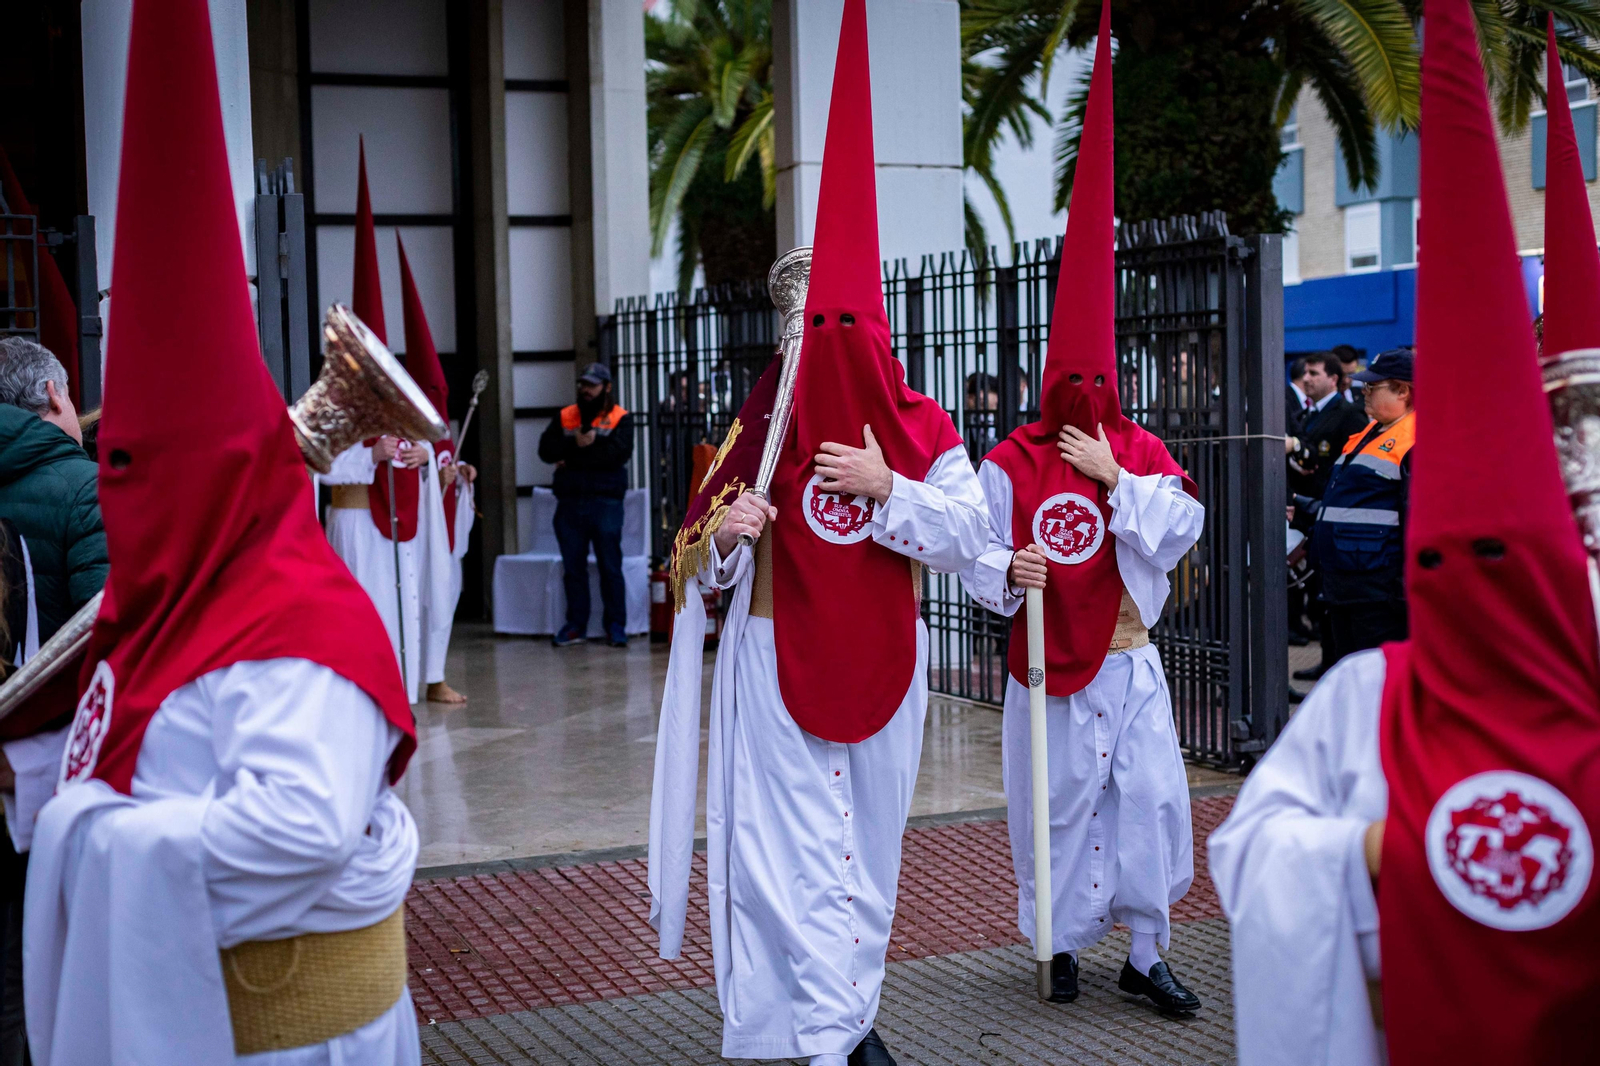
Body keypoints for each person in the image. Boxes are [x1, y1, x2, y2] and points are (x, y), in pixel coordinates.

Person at [22, 4, 421, 1062]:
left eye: (139, 470)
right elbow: (110, 739)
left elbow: (302, 829)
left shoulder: (301, 628)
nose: (118, 494)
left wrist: (86, 834)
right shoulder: (159, 610)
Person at [1211, 9, 1600, 1064]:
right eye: (1453, 555)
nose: (1475, 581)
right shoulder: (1362, 698)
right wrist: (1376, 852)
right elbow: (1251, 845)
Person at [647, 6, 986, 1063]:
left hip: (884, 656)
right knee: (779, 851)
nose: (822, 349)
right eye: (806, 330)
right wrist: (736, 529)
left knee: (866, 847)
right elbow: (691, 570)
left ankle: (849, 1011)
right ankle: (813, 1030)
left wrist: (891, 486)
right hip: (768, 654)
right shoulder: (757, 423)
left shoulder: (922, 426)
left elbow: (971, 537)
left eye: (840, 327)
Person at [960, 7, 1206, 1013]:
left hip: (1128, 659)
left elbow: (1180, 529)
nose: (1084, 401)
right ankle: (1059, 944)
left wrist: (1112, 472)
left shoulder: (1136, 449)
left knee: (1146, 804)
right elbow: (971, 548)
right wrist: (999, 571)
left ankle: (1147, 954)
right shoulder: (1009, 458)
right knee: (1054, 811)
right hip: (1046, 669)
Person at [321, 144, 452, 703]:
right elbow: (315, 465)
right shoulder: (334, 397)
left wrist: (423, 463)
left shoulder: (396, 399)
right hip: (352, 523)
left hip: (392, 523)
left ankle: (402, 684)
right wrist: (366, 456)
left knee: (399, 603)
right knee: (359, 608)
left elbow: (421, 449)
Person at [1294, 348, 1415, 667]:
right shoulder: (1370, 432)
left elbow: (1417, 522)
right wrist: (1307, 510)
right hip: (1346, 584)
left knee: (1374, 682)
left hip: (1378, 592)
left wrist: (1402, 592)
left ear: (1403, 391)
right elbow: (1352, 505)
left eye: (1373, 387)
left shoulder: (1415, 440)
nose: (1364, 391)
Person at [397, 236, 476, 706]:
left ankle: (433, 676)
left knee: (441, 600)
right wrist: (428, 475)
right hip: (408, 536)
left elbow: (450, 468)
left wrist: (459, 478)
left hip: (440, 537)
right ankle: (409, 676)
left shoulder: (442, 436)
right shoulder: (399, 433)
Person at [537, 362, 635, 648]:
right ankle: (575, 625)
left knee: (610, 567)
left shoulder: (620, 418)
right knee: (573, 569)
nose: (585, 390)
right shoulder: (567, 415)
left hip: (605, 501)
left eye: (592, 385)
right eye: (583, 384)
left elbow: (618, 455)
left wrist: (575, 455)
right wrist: (574, 446)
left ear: (606, 387)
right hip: (570, 502)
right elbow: (545, 450)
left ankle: (616, 626)